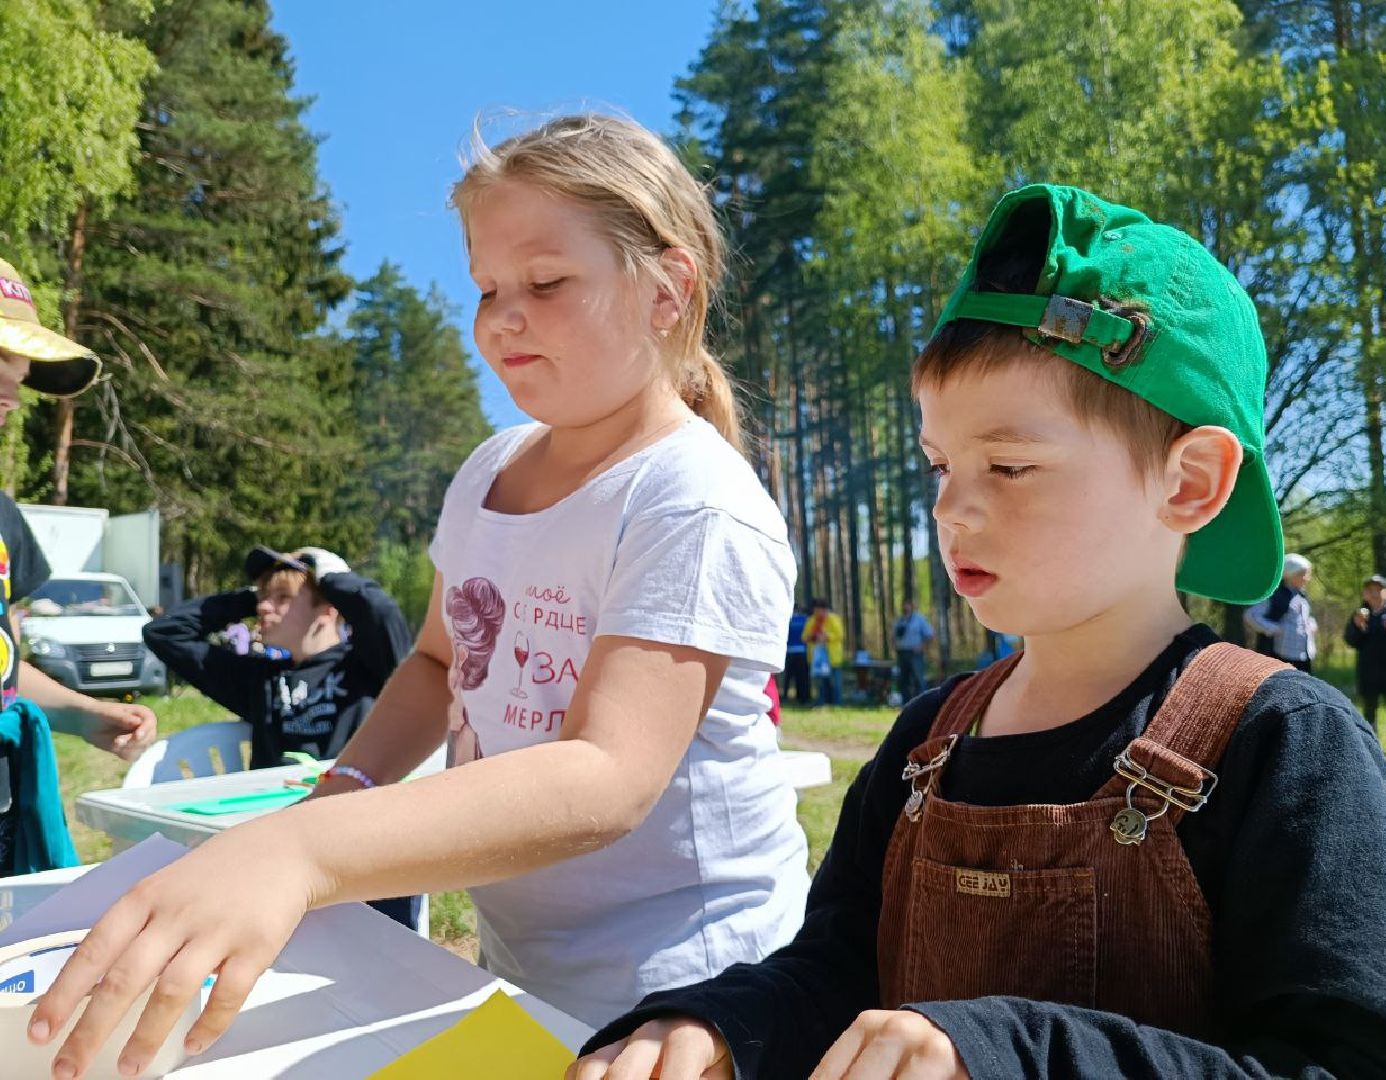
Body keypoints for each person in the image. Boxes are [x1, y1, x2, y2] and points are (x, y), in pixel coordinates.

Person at [571, 185, 1386, 1078]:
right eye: (940, 464)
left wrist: (1007, 1056)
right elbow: (835, 969)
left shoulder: (1282, 747)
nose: (952, 507)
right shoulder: (925, 745)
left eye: (1011, 465)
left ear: (1188, 484)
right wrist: (722, 1025)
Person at [30, 114, 811, 1077]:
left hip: (689, 988)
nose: (500, 317)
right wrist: (348, 785)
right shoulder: (488, 473)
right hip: (520, 960)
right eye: (486, 287)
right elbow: (441, 663)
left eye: (545, 283)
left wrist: (308, 849)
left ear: (668, 288)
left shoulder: (694, 500)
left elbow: (607, 776)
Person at [0, 256, 157, 876]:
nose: (11, 389)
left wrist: (85, 715)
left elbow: (6, 673)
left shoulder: (3, 517)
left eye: (17, 366)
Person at [143, 546, 412, 770]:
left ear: (329, 610)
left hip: (348, 811)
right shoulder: (261, 679)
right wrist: (249, 597)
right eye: (262, 597)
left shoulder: (370, 666)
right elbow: (164, 633)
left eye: (283, 597)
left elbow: (382, 613)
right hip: (274, 818)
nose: (262, 606)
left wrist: (334, 579)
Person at [1343, 574, 1386, 758]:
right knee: (1369, 712)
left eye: (1378, 590)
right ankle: (1371, 749)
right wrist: (1358, 627)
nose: (1374, 594)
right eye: (1369, 590)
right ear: (1364, 594)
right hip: (1369, 672)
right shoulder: (1359, 615)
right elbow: (1350, 640)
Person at [1243, 553, 1317, 671]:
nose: (1307, 578)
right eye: (1303, 574)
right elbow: (1251, 615)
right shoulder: (1275, 596)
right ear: (1291, 575)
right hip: (1282, 654)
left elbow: (1303, 618)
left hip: (1303, 655)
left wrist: (1311, 624)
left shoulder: (1302, 596)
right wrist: (1273, 628)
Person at [804, 598, 846, 706]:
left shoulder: (833, 619)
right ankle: (820, 703)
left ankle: (837, 703)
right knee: (819, 682)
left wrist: (827, 636)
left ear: (824, 610)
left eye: (818, 610)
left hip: (832, 657)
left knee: (835, 683)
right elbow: (804, 637)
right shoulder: (811, 621)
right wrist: (812, 637)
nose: (816, 613)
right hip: (817, 658)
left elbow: (840, 635)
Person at [891, 599, 935, 701]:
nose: (906, 607)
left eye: (908, 605)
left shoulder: (919, 619)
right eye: (904, 605)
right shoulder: (900, 620)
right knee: (903, 680)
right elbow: (894, 635)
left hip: (915, 653)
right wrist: (893, 644)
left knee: (918, 679)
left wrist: (922, 646)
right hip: (902, 652)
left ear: (912, 606)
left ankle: (921, 702)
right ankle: (906, 703)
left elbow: (930, 635)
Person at [781, 604, 811, 704]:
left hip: (789, 651)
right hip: (802, 651)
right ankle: (803, 697)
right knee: (802, 676)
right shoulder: (805, 619)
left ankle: (785, 697)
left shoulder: (787, 620)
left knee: (788, 677)